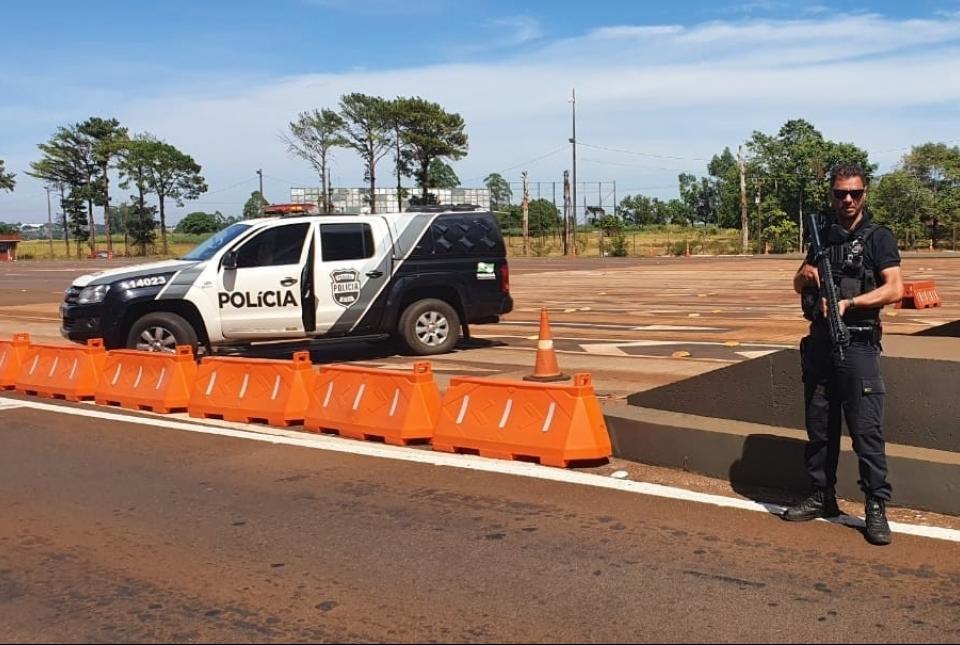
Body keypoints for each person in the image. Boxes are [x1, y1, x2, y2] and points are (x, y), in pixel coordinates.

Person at [785, 163, 904, 546]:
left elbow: (895, 289)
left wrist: (849, 302)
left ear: (865, 193)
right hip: (820, 343)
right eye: (840, 194)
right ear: (833, 195)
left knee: (866, 431)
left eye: (854, 193)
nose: (847, 200)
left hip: (858, 344)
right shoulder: (823, 235)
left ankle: (875, 505)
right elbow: (797, 280)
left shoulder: (877, 237)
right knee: (820, 426)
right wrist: (807, 275)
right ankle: (823, 496)